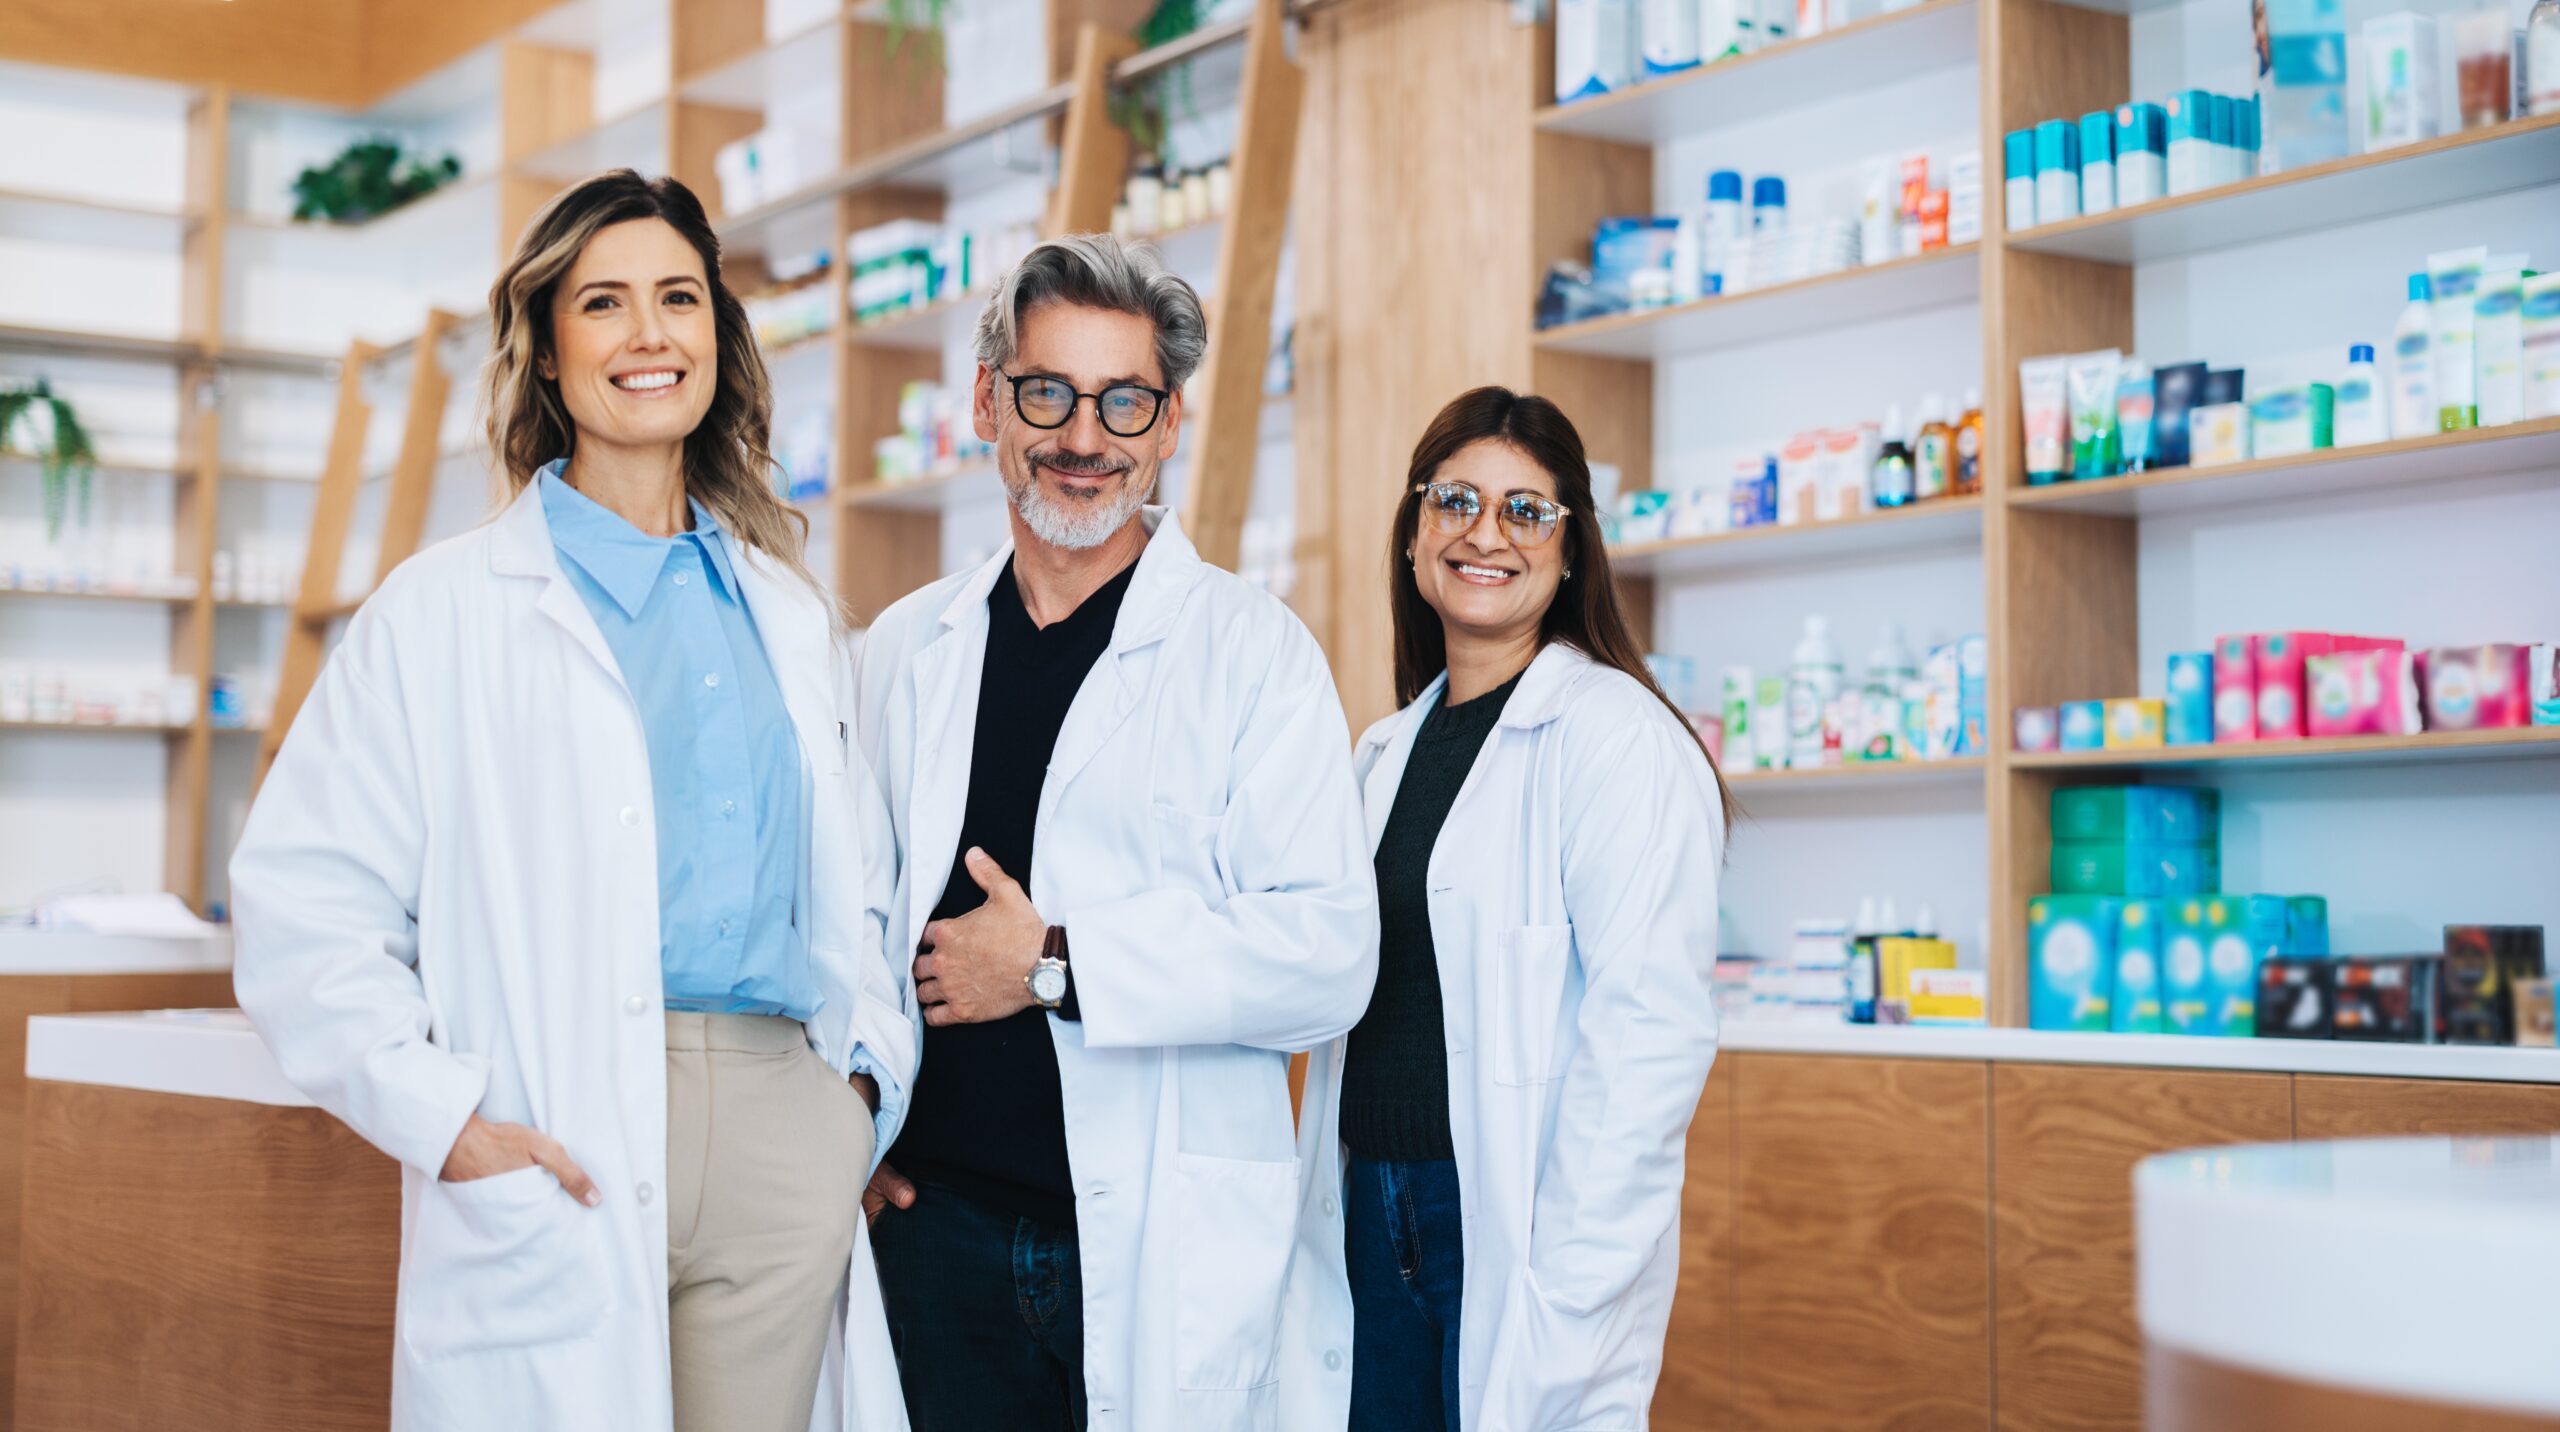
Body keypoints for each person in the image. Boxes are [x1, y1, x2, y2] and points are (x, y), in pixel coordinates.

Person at [228, 170, 914, 1432]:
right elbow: (296, 907)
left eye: (679, 298)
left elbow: (856, 892)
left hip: (780, 1127)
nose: (650, 335)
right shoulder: (441, 614)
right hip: (562, 1132)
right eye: (604, 304)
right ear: (547, 352)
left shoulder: (789, 613)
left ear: (719, 333)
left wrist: (855, 1099)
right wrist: (449, 1123)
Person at [851, 232, 1378, 1432]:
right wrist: (848, 1131)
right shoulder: (903, 650)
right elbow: (845, 924)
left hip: (1151, 1235)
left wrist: (1048, 966)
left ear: (1169, 421)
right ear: (987, 399)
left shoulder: (1254, 655)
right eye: (1047, 392)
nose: (1083, 438)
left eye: (1123, 400)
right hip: (934, 1229)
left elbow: (1327, 957)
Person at [1279, 387, 1733, 1432]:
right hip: (1363, 1203)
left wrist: (1572, 1285)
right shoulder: (1380, 752)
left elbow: (1648, 1036)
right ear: (1412, 534)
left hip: (1504, 1222)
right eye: (1456, 501)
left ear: (1571, 551)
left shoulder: (1615, 738)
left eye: (1526, 511)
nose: (1486, 533)